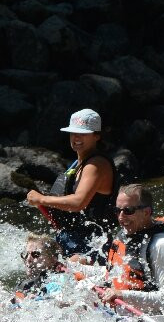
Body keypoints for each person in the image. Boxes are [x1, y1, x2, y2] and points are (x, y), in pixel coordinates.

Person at [25, 108, 118, 259]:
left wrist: (40, 199)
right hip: (69, 239)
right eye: (73, 133)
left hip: (91, 245)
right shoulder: (77, 164)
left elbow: (78, 202)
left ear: (97, 136)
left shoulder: (96, 165)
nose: (77, 138)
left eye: (83, 133)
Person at [100, 184, 164, 318]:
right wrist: (77, 268)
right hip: (122, 318)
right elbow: (115, 273)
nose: (120, 217)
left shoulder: (162, 246)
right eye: (117, 210)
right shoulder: (126, 236)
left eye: (128, 210)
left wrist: (123, 295)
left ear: (146, 212)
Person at [14, 233, 73, 300]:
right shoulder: (24, 286)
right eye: (25, 254)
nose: (28, 259)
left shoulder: (61, 280)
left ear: (52, 259)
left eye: (35, 254)